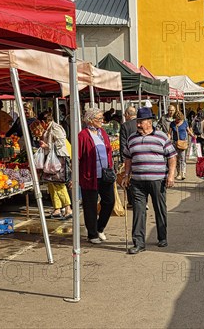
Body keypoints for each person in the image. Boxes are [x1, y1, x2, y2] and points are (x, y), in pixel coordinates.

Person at [122, 107, 176, 254]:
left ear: (149, 122)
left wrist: (171, 176)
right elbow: (128, 158)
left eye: (141, 121)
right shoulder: (132, 138)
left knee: (159, 209)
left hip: (157, 180)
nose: (138, 125)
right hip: (137, 181)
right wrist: (126, 175)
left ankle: (162, 237)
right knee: (139, 211)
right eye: (137, 121)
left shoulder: (161, 137)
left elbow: (172, 156)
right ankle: (139, 243)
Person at [78, 107, 115, 244]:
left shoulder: (103, 133)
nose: (102, 121)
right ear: (91, 120)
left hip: (105, 175)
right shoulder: (83, 135)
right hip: (90, 176)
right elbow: (78, 156)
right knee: (90, 206)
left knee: (109, 201)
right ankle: (92, 234)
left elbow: (109, 151)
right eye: (99, 119)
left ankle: (100, 228)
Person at [38, 111, 72, 220]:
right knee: (51, 184)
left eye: (41, 123)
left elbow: (60, 143)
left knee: (59, 184)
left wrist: (47, 145)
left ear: (44, 122)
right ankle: (57, 208)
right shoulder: (48, 128)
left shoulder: (56, 128)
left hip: (59, 159)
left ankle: (68, 208)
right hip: (51, 159)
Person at [170, 110, 189, 180]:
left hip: (183, 143)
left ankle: (183, 173)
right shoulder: (172, 124)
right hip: (175, 143)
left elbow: (188, 131)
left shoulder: (185, 123)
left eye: (179, 119)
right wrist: (167, 139)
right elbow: (170, 133)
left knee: (182, 159)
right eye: (176, 119)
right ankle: (178, 173)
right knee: (177, 159)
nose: (177, 120)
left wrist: (193, 136)